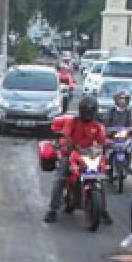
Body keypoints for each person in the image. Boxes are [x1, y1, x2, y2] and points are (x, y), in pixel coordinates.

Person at [43, 95, 109, 224]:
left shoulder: (97, 125)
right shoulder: (72, 122)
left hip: (89, 155)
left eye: (91, 110)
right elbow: (65, 134)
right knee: (60, 179)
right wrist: (65, 143)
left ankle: (103, 210)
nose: (88, 113)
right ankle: (52, 210)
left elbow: (102, 140)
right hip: (71, 153)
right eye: (86, 110)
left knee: (100, 178)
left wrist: (108, 144)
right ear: (81, 110)